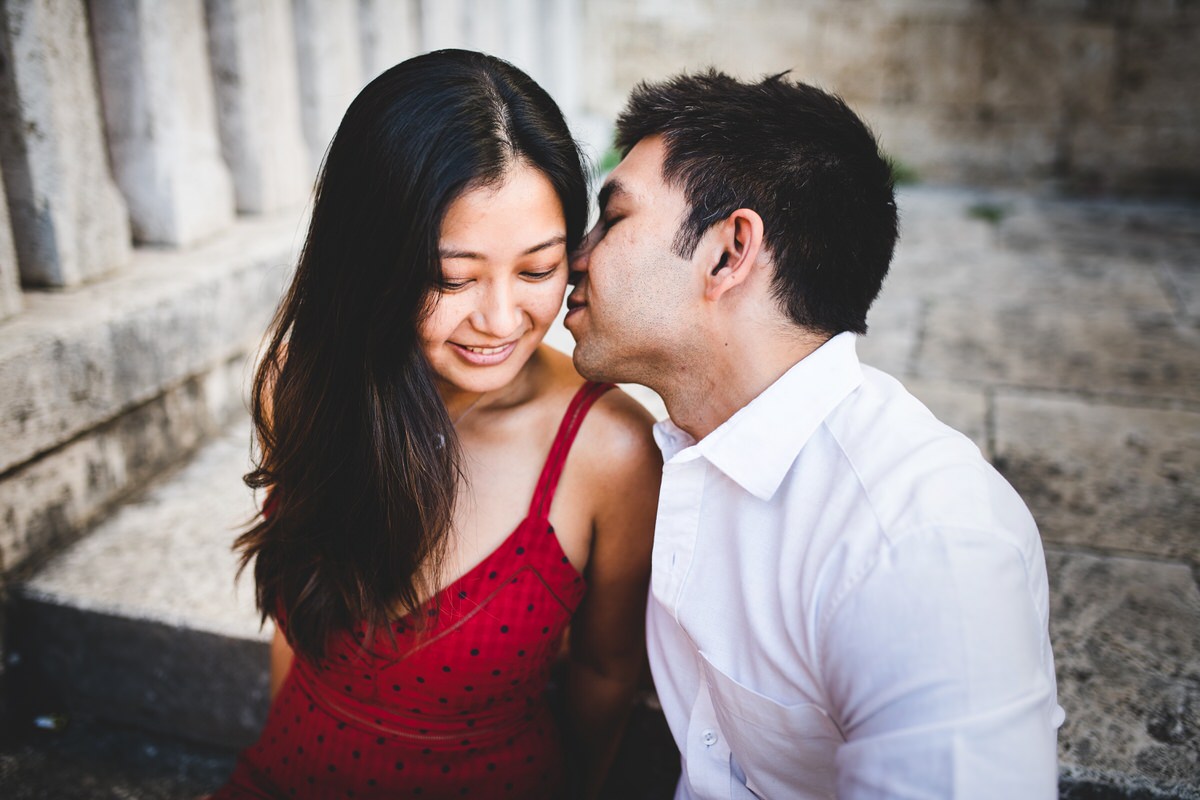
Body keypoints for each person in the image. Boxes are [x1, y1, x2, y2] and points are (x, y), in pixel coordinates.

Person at [564, 70, 1064, 799]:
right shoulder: (681, 447)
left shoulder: (920, 546)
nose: (575, 257)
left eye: (612, 219)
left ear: (729, 252)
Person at [211, 50, 660, 800]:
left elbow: (607, 671)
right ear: (373, 258)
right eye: (451, 277)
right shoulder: (303, 382)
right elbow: (298, 633)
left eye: (537, 270)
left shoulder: (607, 450)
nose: (498, 320)